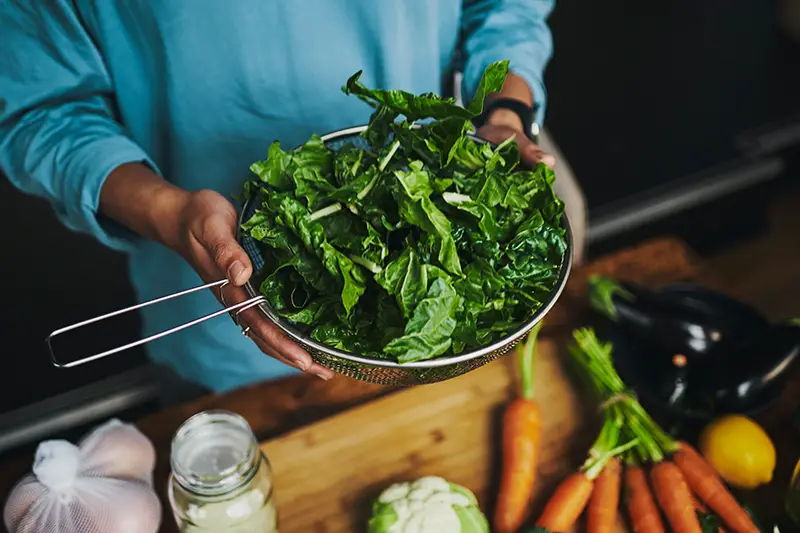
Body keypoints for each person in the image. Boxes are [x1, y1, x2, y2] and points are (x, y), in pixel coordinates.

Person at [0, 1, 586, 395]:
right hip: (213, 291)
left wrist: (507, 114)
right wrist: (170, 214)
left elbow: (507, 8)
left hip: (439, 199)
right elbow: (40, 109)